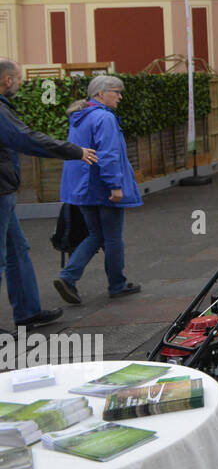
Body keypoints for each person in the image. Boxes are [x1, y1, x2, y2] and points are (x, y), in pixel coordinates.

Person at [0, 60, 97, 328]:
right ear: (8, 80)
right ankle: (27, 312)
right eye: (18, 79)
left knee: (17, 250)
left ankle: (28, 313)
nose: (19, 84)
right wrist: (74, 151)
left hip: (4, 190)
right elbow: (26, 139)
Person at [53, 76, 142, 303]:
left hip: (81, 187)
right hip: (101, 186)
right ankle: (117, 285)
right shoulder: (104, 118)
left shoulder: (79, 117)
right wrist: (115, 186)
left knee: (95, 234)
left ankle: (68, 277)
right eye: (116, 92)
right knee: (112, 237)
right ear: (101, 94)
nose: (120, 97)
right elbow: (109, 154)